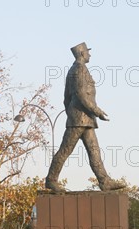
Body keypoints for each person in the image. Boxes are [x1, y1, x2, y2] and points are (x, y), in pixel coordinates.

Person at [45, 42, 125, 193]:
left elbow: (66, 98)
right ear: (82, 53)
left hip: (84, 118)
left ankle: (104, 181)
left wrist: (72, 112)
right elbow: (80, 94)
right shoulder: (79, 69)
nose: (90, 54)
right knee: (65, 150)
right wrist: (96, 110)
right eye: (88, 52)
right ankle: (51, 180)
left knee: (94, 150)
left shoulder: (75, 70)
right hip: (80, 119)